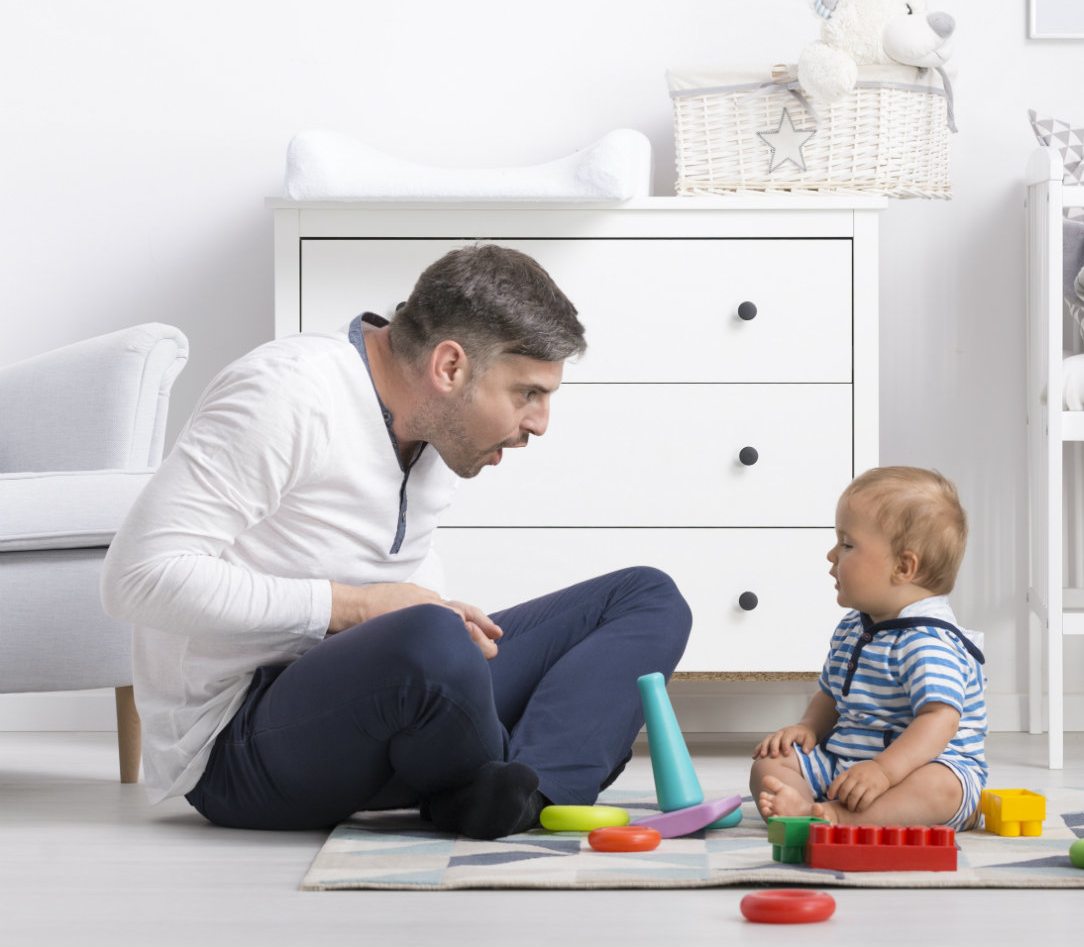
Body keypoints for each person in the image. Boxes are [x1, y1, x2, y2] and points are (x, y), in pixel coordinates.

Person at [101, 244, 692, 837]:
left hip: (378, 714)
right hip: (239, 747)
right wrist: (357, 607)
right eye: (527, 393)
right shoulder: (285, 394)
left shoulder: (435, 427)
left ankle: (526, 795)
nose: (538, 423)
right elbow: (138, 579)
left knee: (646, 597)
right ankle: (522, 767)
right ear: (450, 367)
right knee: (433, 638)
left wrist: (425, 612)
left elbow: (393, 565)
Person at [749, 466, 986, 830]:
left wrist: (883, 770)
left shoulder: (929, 641)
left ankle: (840, 817)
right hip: (848, 762)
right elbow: (830, 693)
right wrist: (809, 728)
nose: (832, 555)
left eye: (847, 544)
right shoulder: (854, 626)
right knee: (770, 761)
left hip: (915, 769)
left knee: (941, 788)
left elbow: (940, 719)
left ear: (903, 566)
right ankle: (798, 805)